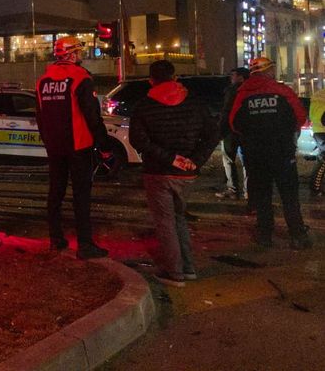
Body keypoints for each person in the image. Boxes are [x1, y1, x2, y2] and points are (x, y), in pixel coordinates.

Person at [129, 60, 220, 287]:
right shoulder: (194, 103)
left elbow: (138, 140)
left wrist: (169, 158)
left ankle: (174, 272)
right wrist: (195, 161)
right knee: (178, 218)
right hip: (186, 174)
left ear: (151, 80)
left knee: (165, 222)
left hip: (157, 172)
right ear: (175, 77)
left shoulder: (145, 105)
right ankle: (187, 267)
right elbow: (212, 135)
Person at [36, 36, 109, 259]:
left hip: (54, 146)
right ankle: (85, 245)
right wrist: (102, 143)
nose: (81, 56)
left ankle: (55, 239)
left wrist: (48, 140)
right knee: (81, 195)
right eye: (79, 51)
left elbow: (39, 116)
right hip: (79, 145)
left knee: (55, 192)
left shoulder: (43, 80)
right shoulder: (80, 77)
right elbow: (92, 115)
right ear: (72, 54)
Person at [230, 57, 312, 250]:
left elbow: (234, 123)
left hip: (255, 154)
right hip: (282, 152)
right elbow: (300, 117)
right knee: (289, 195)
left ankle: (264, 234)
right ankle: (297, 235)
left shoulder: (242, 94)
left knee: (262, 195)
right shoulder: (282, 91)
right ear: (269, 71)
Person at [216, 67, 251, 204]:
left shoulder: (233, 90)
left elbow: (227, 111)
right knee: (246, 161)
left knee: (228, 159)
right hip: (246, 131)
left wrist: (220, 130)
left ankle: (233, 189)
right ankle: (248, 191)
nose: (231, 77)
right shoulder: (251, 90)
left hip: (231, 130)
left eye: (233, 75)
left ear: (241, 77)